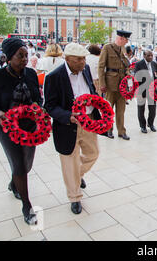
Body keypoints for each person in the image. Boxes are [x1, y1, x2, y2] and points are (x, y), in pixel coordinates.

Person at [0, 37, 42, 225]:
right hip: (6, 127)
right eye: (20, 55)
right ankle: (27, 206)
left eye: (26, 55)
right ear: (9, 57)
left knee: (27, 164)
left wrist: (36, 106)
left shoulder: (31, 74)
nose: (25, 59)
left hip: (29, 125)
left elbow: (38, 98)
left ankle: (13, 183)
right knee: (18, 164)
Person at [44, 43, 101, 215]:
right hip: (68, 125)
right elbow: (50, 106)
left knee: (93, 153)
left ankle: (77, 175)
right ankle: (75, 197)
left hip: (89, 121)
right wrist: (67, 116)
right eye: (78, 59)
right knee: (69, 161)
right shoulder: (54, 77)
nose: (83, 62)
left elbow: (92, 90)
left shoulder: (86, 70)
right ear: (67, 59)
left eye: (84, 58)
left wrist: (99, 103)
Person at [98, 30, 132, 140]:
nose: (127, 42)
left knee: (121, 110)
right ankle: (109, 130)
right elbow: (101, 67)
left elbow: (126, 66)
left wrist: (128, 77)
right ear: (121, 38)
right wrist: (102, 83)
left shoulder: (123, 49)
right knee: (109, 109)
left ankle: (121, 131)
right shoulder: (107, 48)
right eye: (126, 39)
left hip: (122, 85)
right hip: (110, 84)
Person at [134, 49, 157, 134]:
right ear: (144, 56)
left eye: (152, 55)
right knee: (141, 109)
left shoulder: (154, 64)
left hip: (152, 89)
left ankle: (151, 124)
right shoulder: (138, 64)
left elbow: (155, 75)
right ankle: (142, 126)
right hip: (142, 89)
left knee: (153, 108)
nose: (151, 57)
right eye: (148, 55)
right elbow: (136, 77)